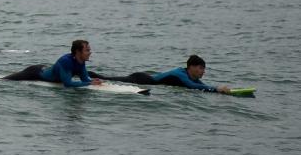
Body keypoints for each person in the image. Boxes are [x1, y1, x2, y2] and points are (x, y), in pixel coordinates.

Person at [92, 55, 232, 94]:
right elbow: (192, 86)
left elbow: (201, 86)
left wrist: (217, 90)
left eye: (204, 69)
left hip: (146, 79)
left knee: (106, 78)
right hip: (141, 79)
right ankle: (81, 73)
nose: (203, 71)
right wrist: (216, 89)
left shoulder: (191, 77)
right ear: (191, 67)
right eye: (201, 68)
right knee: (106, 79)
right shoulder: (181, 74)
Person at [4, 39, 99, 87]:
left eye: (89, 50)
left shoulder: (81, 61)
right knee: (4, 80)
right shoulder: (66, 61)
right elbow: (68, 84)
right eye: (87, 50)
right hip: (34, 73)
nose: (90, 52)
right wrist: (89, 84)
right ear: (78, 52)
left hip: (44, 69)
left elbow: (85, 78)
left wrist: (93, 81)